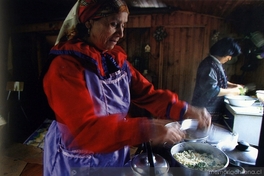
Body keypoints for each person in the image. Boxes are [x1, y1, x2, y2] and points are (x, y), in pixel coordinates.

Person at [42, 0, 211, 175]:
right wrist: (148, 129)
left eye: (123, 25)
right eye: (114, 24)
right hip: (77, 158)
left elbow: (147, 93)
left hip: (113, 147)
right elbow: (86, 131)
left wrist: (184, 110)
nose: (121, 33)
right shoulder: (65, 67)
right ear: (89, 23)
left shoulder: (114, 60)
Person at [191, 37, 242, 124]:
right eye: (230, 55)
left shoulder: (215, 63)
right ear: (224, 52)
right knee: (203, 134)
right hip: (205, 108)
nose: (230, 58)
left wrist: (232, 85)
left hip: (210, 108)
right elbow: (211, 90)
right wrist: (232, 91)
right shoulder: (209, 65)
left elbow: (218, 80)